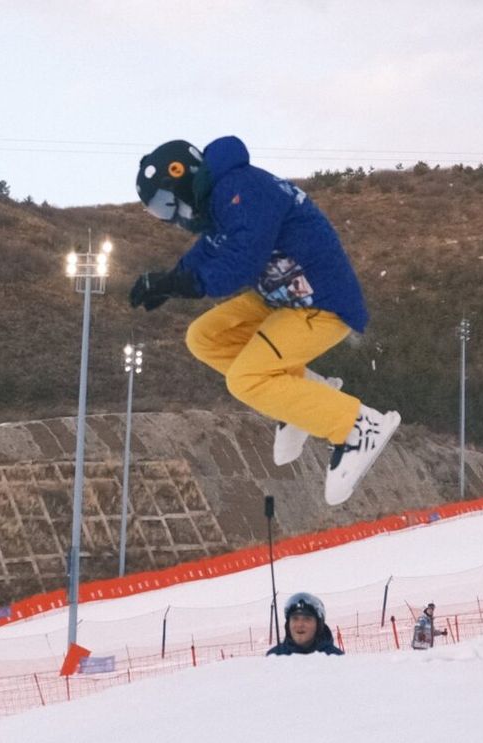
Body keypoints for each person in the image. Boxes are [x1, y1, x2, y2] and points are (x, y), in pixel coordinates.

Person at [130, 136, 401, 506]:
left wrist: (185, 283)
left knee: (246, 379)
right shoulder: (219, 200)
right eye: (159, 212)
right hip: (282, 298)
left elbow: (241, 259)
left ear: (181, 177)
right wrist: (168, 280)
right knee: (203, 336)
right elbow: (209, 250)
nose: (171, 218)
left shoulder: (241, 190)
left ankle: (358, 427)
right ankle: (301, 392)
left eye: (165, 205)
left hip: (320, 302)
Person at [266, 592, 343, 656]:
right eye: (295, 619)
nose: (300, 624)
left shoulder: (336, 658)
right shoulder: (274, 657)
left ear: (318, 625)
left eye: (307, 619)